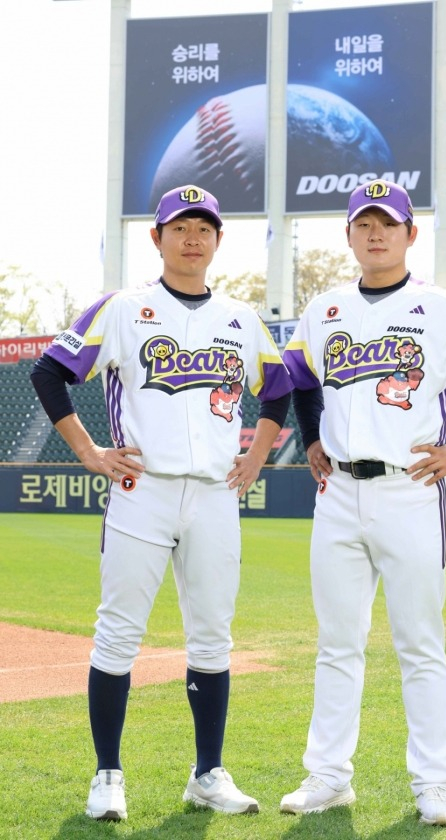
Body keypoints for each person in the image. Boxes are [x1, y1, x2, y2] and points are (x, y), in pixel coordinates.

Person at [30, 184, 293, 821]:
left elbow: (279, 386)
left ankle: (208, 773)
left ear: (218, 240)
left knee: (213, 638)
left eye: (203, 228)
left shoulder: (240, 318)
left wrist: (258, 455)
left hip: (214, 494)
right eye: (180, 227)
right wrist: (89, 450)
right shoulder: (123, 308)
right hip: (141, 490)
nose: (192, 238)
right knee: (118, 634)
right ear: (157, 238)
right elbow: (49, 371)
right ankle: (107, 775)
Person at [280, 178, 446, 825]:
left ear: (410, 234)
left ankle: (434, 785)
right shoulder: (324, 309)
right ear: (348, 236)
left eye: (387, 223)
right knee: (338, 644)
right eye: (364, 224)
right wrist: (311, 436)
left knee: (419, 643)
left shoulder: (441, 307)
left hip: (410, 489)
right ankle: (328, 776)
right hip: (338, 492)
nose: (376, 234)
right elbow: (299, 378)